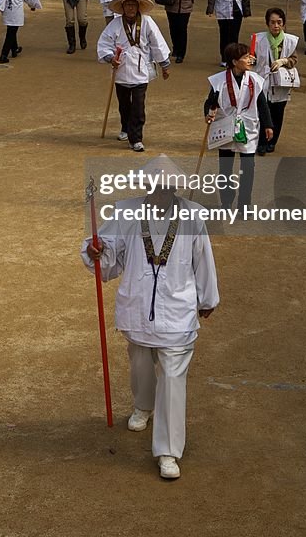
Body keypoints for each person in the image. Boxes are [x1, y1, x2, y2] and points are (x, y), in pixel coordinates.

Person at [82, 155, 219, 481]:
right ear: (147, 186)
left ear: (175, 190)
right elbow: (107, 249)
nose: (160, 194)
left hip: (177, 312)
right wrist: (96, 251)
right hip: (138, 309)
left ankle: (168, 451)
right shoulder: (126, 211)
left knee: (173, 378)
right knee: (141, 362)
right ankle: (144, 404)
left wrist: (208, 296)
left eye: (167, 189)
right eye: (155, 188)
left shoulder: (193, 216)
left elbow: (203, 257)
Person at [97, 0, 171, 152]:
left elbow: (157, 43)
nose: (130, 8)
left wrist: (164, 64)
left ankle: (136, 138)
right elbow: (104, 44)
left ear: (138, 7)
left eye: (133, 4)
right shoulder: (115, 24)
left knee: (138, 107)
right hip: (121, 70)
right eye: (127, 5)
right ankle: (125, 127)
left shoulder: (147, 22)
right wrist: (110, 58)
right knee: (124, 105)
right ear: (122, 7)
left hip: (140, 70)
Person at [203, 43, 273, 209]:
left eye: (249, 56)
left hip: (248, 126)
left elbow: (262, 103)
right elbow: (210, 102)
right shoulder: (218, 80)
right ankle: (226, 200)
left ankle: (245, 204)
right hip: (225, 126)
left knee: (248, 168)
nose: (250, 59)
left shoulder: (255, 80)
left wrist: (268, 125)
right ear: (235, 62)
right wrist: (208, 113)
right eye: (245, 57)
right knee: (225, 168)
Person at [253, 7, 299, 154]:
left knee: (277, 114)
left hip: (281, 84)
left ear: (283, 24)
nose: (276, 26)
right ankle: (261, 143)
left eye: (279, 22)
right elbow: (251, 58)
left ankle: (272, 142)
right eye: (272, 22)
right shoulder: (258, 39)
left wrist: (283, 61)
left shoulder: (290, 41)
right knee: (262, 113)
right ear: (267, 24)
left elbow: (294, 59)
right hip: (263, 81)